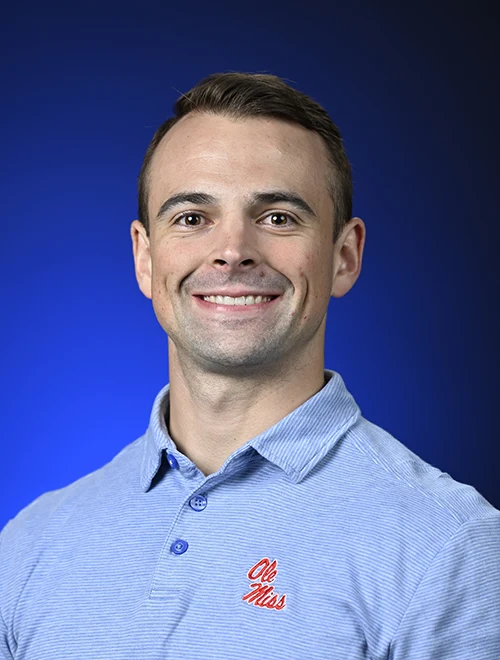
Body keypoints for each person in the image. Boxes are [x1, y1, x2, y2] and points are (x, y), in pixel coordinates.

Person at [1, 72, 499, 660]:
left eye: (278, 217)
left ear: (345, 257)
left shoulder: (452, 547)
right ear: (144, 256)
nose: (233, 250)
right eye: (191, 217)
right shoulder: (31, 544)